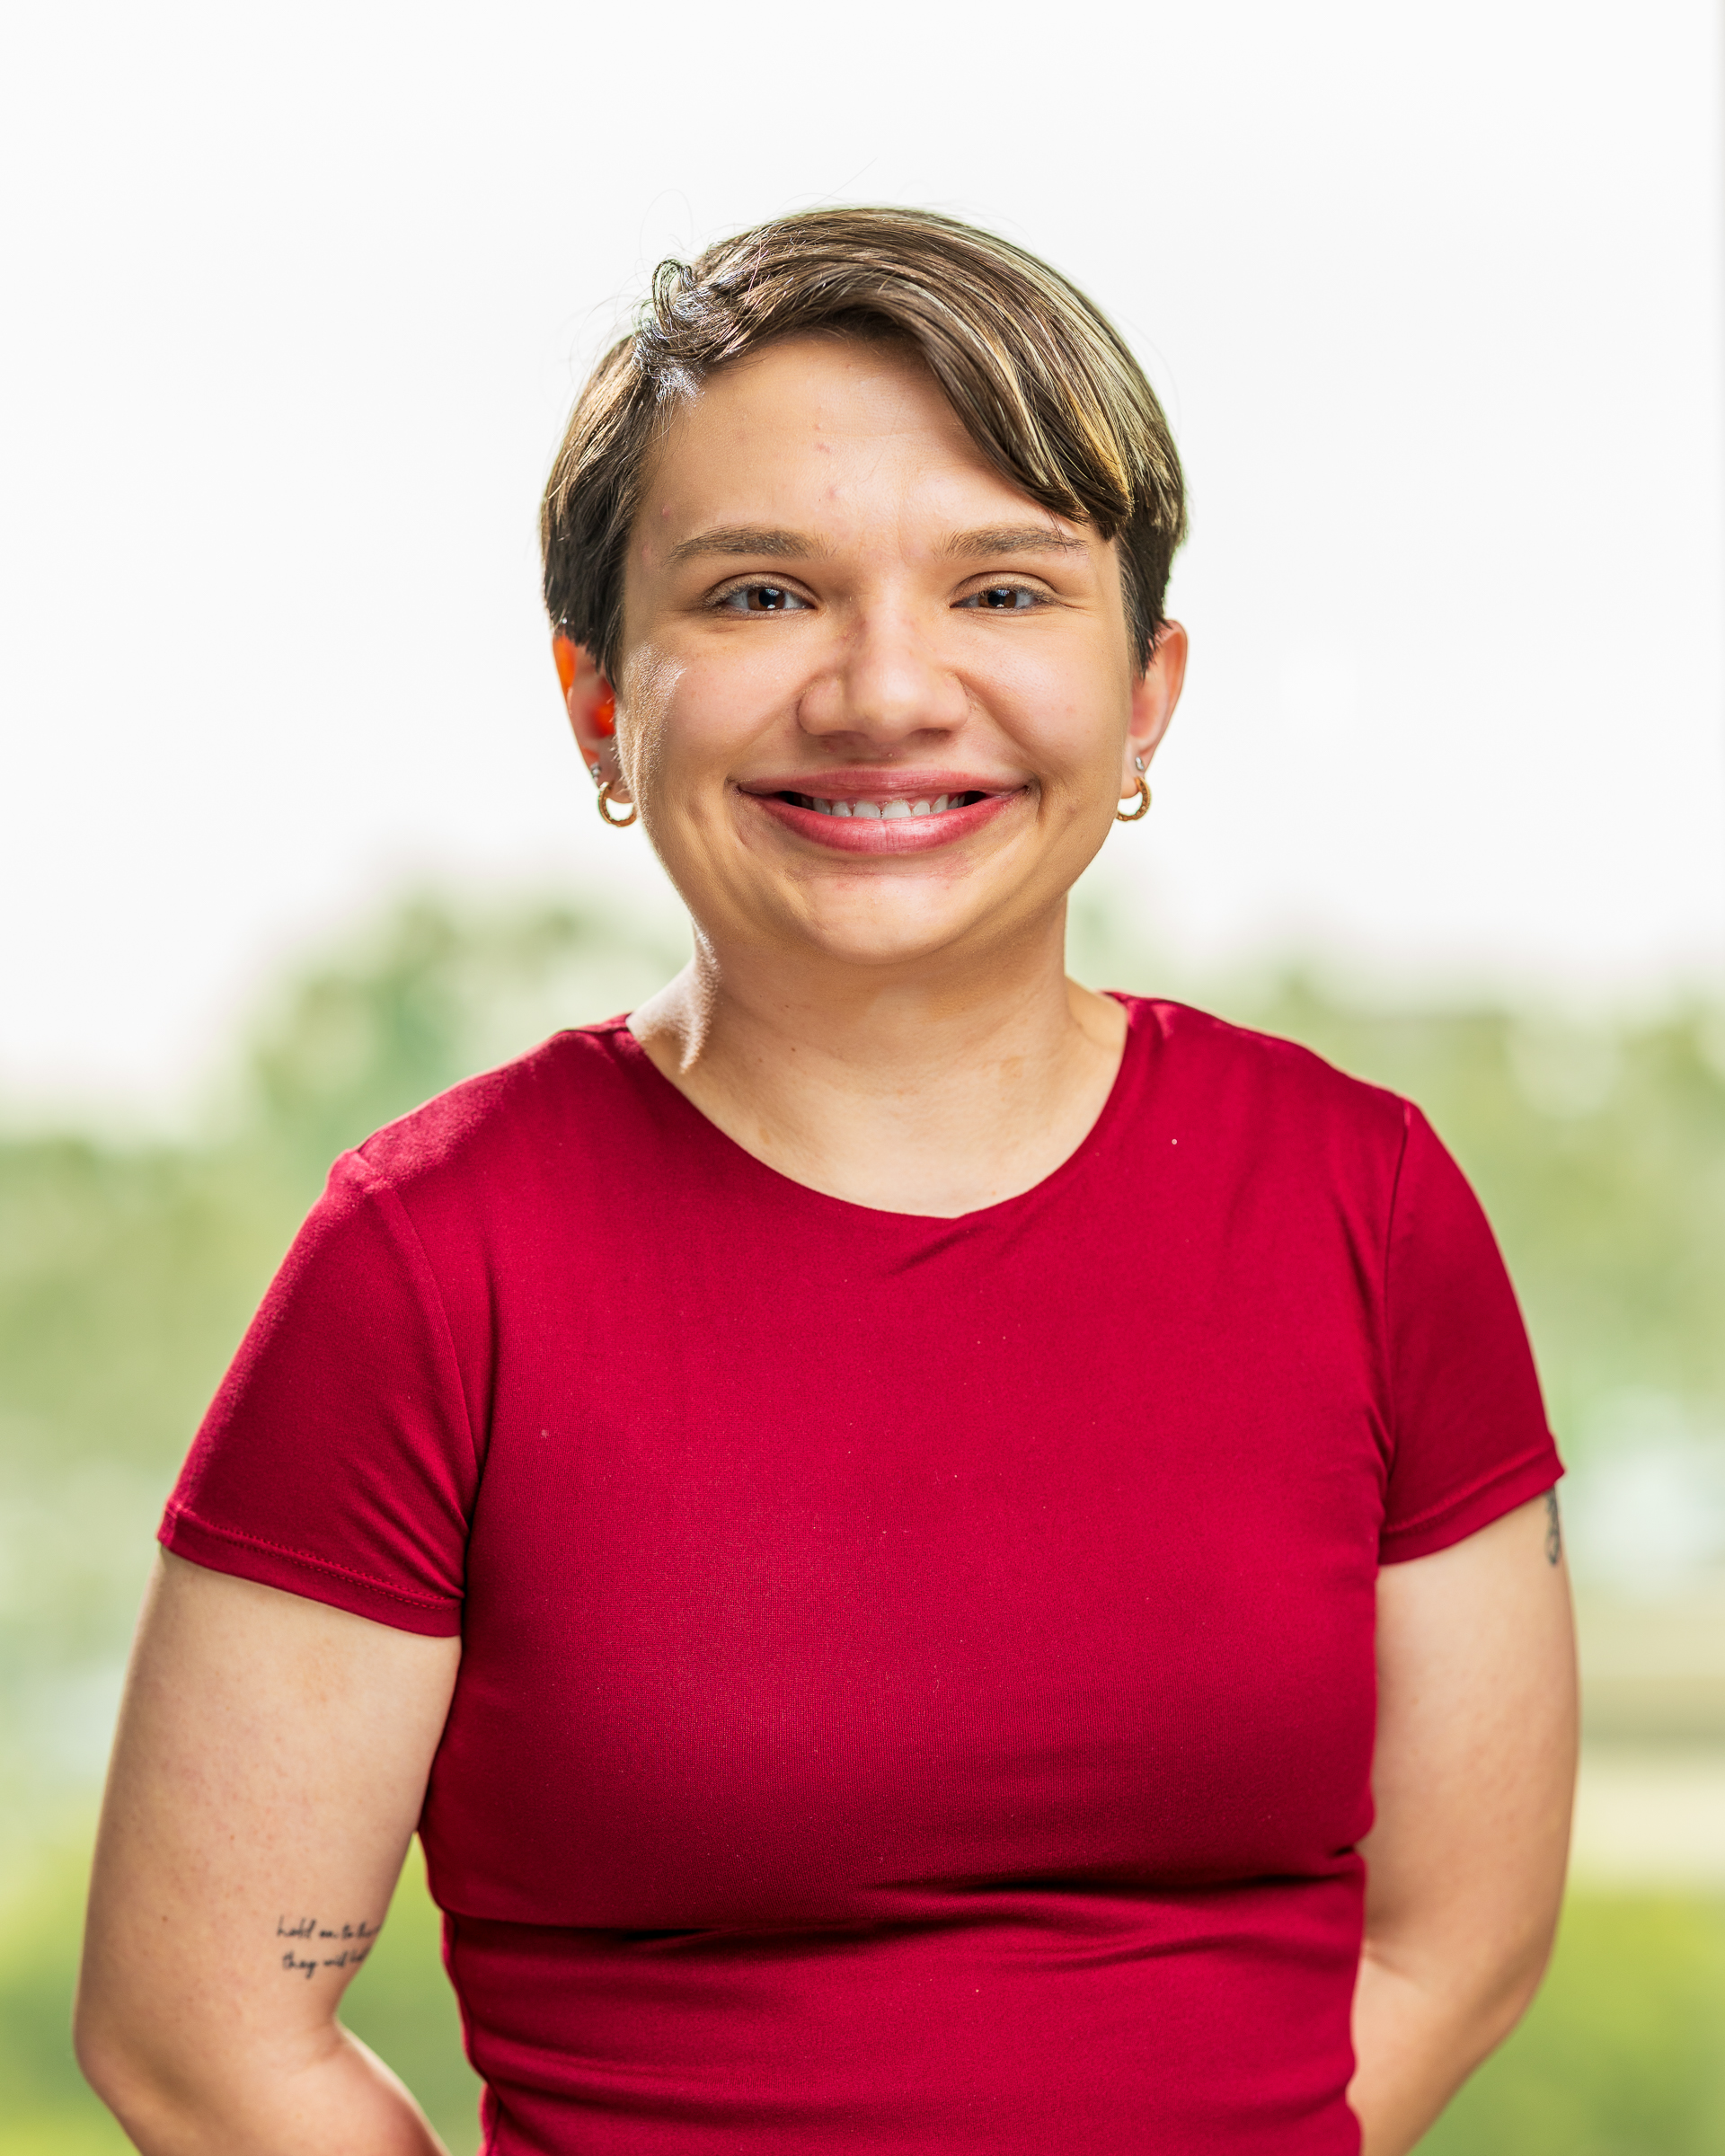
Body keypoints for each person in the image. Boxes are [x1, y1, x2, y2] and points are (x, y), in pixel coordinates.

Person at [75, 208, 1576, 2156]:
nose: (887, 691)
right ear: (603, 700)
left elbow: (1452, 1941)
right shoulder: (431, 1263)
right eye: (764, 595)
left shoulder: (1362, 1203)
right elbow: (205, 2035)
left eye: (1005, 592)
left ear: (1145, 697)